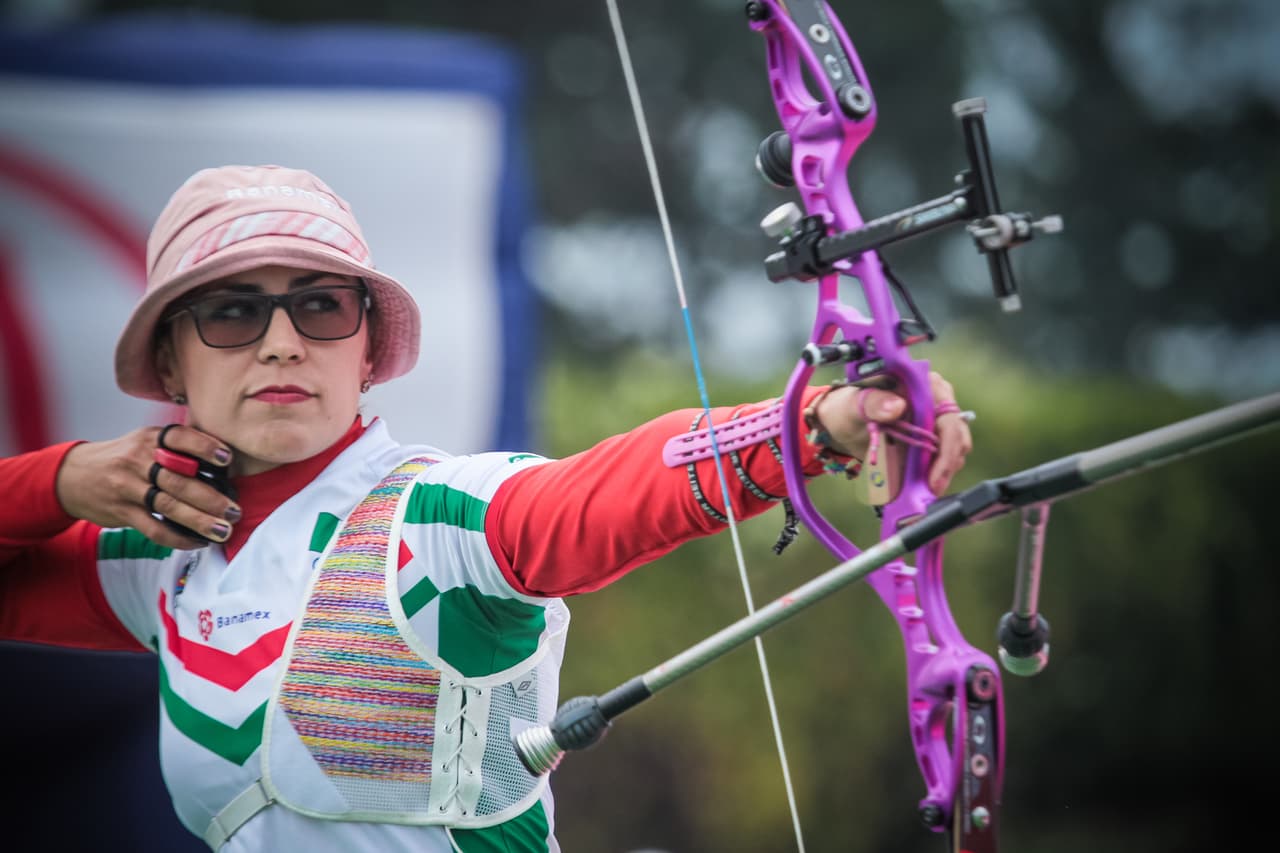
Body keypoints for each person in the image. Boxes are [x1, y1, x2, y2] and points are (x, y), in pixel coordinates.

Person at [0, 164, 971, 852]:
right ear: (169, 360)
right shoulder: (158, 557)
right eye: (231, 311)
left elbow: (602, 495)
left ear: (366, 345)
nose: (283, 342)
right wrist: (59, 479)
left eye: (321, 306)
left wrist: (820, 421)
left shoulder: (436, 518)